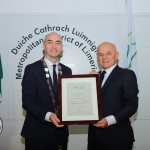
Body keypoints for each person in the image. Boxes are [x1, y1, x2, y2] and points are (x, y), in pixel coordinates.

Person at [21, 32, 72, 150]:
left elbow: (69, 100)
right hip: (37, 134)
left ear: (62, 47)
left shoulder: (67, 71)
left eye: (58, 43)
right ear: (43, 46)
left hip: (61, 133)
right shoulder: (32, 69)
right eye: (50, 42)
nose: (54, 46)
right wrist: (48, 116)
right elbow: (27, 102)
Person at [88, 42, 139, 150]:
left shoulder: (126, 75)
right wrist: (87, 83)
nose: (104, 57)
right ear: (97, 57)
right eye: (100, 54)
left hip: (118, 140)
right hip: (94, 140)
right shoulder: (94, 77)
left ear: (117, 55)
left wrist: (109, 120)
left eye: (108, 53)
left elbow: (132, 104)